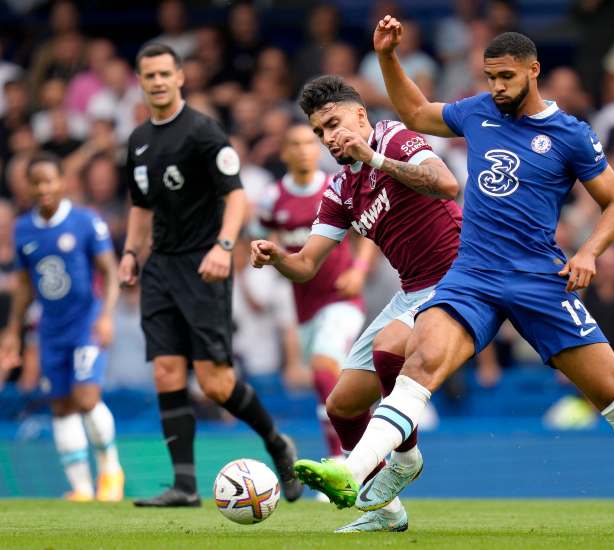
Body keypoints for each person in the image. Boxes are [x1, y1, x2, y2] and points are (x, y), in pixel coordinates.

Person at [293, 17, 614, 537]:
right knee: (420, 360)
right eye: (489, 77)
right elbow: (415, 110)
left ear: (534, 70)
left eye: (506, 77)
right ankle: (354, 471)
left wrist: (590, 252)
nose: (497, 88)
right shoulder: (479, 113)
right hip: (473, 275)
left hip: (538, 280)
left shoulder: (571, 134)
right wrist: (388, 56)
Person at [251, 75, 461, 532]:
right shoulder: (341, 188)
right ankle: (386, 512)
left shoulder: (393, 137)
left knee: (390, 349)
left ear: (360, 115)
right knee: (341, 407)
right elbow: (306, 264)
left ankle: (404, 460)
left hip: (458, 279)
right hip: (410, 291)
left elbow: (447, 185)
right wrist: (277, 259)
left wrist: (375, 158)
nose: (328, 138)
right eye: (319, 131)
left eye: (333, 123)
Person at [118, 43, 302, 507]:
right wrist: (130, 253)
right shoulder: (138, 140)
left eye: (165, 73)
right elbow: (141, 207)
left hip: (204, 265)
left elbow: (236, 196)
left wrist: (224, 247)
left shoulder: (202, 132)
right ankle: (184, 485)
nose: (157, 82)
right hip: (160, 265)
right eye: (149, 75)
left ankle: (277, 443)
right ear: (141, 81)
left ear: (180, 77)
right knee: (165, 370)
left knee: (216, 383)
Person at [0, 152, 124, 502]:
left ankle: (111, 471)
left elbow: (109, 271)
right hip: (49, 329)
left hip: (85, 322)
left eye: (49, 180)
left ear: (63, 182)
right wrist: (14, 330)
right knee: (60, 405)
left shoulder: (85, 221)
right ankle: (83, 488)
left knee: (87, 397)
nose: (43, 188)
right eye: (35, 182)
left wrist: (106, 315)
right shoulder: (23, 228)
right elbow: (24, 284)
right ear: (28, 186)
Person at [256, 124, 373, 460]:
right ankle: (363, 446)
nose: (305, 149)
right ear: (285, 153)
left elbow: (366, 229)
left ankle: (340, 459)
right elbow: (262, 237)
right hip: (303, 305)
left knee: (323, 368)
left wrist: (359, 269)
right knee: (329, 384)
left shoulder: (334, 187)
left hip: (342, 298)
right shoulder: (272, 197)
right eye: (296, 144)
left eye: (310, 143)